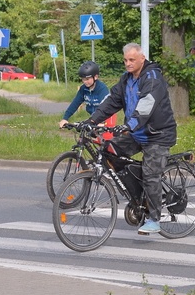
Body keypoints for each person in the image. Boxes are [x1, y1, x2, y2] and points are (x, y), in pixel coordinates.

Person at [89, 43, 176, 235]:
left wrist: (129, 125)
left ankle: (154, 219)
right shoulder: (126, 80)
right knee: (109, 151)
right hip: (137, 132)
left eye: (131, 60)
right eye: (125, 60)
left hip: (158, 134)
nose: (127, 63)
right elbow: (112, 101)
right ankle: (138, 197)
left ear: (141, 59)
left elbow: (147, 104)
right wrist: (92, 120)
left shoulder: (153, 78)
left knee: (151, 174)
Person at [58, 61, 115, 133]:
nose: (85, 81)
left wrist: (99, 122)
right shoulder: (83, 89)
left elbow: (104, 108)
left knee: (104, 141)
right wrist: (65, 118)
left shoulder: (102, 89)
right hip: (94, 119)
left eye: (87, 79)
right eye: (83, 79)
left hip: (106, 119)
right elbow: (75, 104)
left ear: (96, 77)